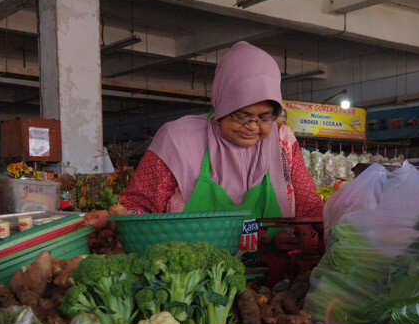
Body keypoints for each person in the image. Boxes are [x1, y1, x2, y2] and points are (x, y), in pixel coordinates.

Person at [116, 41, 323, 221]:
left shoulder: (282, 143)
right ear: (222, 104)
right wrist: (120, 218)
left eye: (265, 117)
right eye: (242, 115)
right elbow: (137, 206)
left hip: (271, 265)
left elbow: (310, 209)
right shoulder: (177, 140)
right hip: (188, 265)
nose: (252, 126)